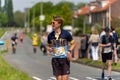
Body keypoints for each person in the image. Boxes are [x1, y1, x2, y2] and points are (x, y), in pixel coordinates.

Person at [47, 16, 75, 80]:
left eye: (53, 23)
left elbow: (73, 44)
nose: (52, 24)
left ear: (59, 24)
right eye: (51, 23)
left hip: (64, 59)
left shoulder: (66, 34)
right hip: (55, 60)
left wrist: (69, 51)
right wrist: (49, 48)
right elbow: (48, 45)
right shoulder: (50, 35)